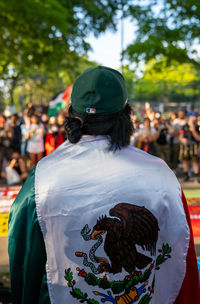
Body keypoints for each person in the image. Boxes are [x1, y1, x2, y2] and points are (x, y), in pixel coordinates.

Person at [8, 66, 199, 304]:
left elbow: (24, 259)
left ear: (72, 115)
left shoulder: (44, 177)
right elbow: (182, 257)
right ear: (125, 114)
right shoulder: (160, 173)